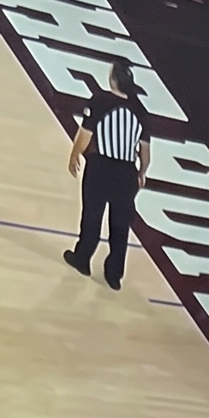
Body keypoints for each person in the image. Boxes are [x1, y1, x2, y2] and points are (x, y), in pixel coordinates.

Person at [62, 62, 149, 290]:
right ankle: (114, 275)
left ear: (113, 80)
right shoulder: (140, 110)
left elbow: (85, 134)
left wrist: (74, 155)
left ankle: (83, 259)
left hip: (100, 168)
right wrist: (141, 173)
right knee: (120, 226)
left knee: (92, 215)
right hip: (126, 173)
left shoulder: (99, 101)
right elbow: (145, 150)